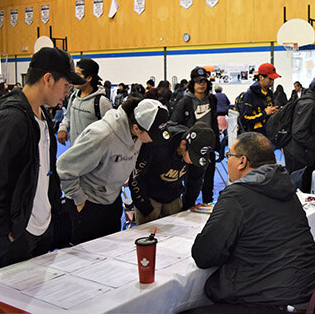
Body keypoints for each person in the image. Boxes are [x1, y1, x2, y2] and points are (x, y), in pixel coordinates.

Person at [185, 132, 315, 313]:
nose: (227, 161)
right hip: (311, 295)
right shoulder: (286, 187)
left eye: (229, 156)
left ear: (242, 161)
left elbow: (204, 255)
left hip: (275, 302)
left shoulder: (237, 195)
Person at [0, 47, 86, 269]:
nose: (67, 93)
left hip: (39, 227)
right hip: (16, 235)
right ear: (48, 79)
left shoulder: (42, 114)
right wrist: (4, 233)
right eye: (66, 85)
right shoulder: (12, 119)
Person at [57, 98, 169, 245]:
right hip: (88, 203)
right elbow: (64, 167)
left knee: (112, 249)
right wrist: (79, 199)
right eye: (152, 136)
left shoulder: (138, 134)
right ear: (136, 128)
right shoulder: (102, 135)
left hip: (112, 199)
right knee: (88, 255)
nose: (152, 140)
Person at [129, 121, 215, 225]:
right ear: (183, 144)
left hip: (173, 194)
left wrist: (187, 208)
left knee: (177, 230)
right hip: (148, 193)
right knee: (147, 232)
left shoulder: (197, 150)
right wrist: (147, 209)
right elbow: (136, 178)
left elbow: (195, 181)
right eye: (193, 157)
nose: (193, 162)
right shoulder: (159, 144)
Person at [171, 67, 220, 208]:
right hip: (191, 149)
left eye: (204, 81)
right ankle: (187, 208)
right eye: (198, 82)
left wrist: (217, 144)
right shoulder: (185, 102)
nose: (201, 85)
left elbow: (214, 121)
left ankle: (209, 208)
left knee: (208, 182)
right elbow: (174, 124)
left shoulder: (212, 99)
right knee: (192, 183)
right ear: (192, 83)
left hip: (208, 147)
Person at [57, 58, 112, 147]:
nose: (74, 78)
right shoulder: (74, 96)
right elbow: (67, 116)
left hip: (93, 154)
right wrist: (62, 129)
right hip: (74, 149)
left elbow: (111, 129)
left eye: (78, 75)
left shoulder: (101, 102)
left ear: (89, 78)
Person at [239, 63, 280, 134]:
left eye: (273, 79)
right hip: (254, 135)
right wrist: (264, 113)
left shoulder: (269, 93)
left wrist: (273, 111)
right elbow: (244, 119)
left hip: (268, 132)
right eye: (270, 79)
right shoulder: (250, 94)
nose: (272, 82)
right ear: (261, 77)